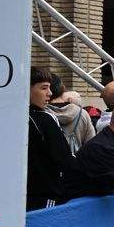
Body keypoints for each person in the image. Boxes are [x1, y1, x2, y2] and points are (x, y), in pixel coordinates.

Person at [27, 67, 73, 210]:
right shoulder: (44, 119)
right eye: (44, 88)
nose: (50, 93)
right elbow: (64, 159)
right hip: (45, 197)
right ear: (26, 88)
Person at [46, 75, 95, 154]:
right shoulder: (82, 113)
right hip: (76, 162)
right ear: (63, 88)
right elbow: (91, 145)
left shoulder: (40, 114)